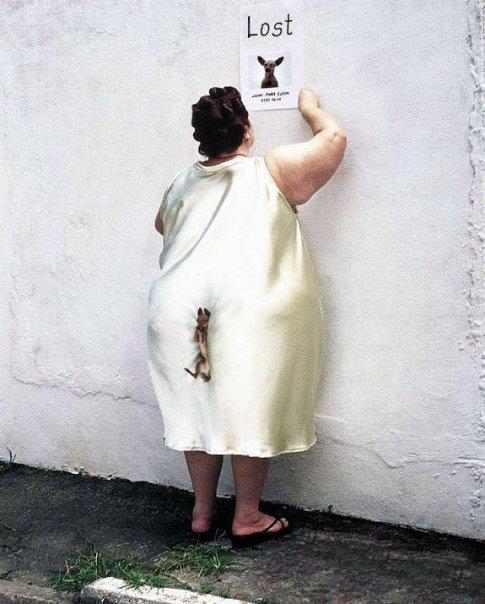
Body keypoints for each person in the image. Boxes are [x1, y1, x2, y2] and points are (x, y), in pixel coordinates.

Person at [147, 85, 347, 549]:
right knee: (250, 407)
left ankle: (202, 514)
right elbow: (334, 140)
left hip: (178, 312)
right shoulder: (273, 171)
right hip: (245, 314)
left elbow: (162, 224)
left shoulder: (181, 183)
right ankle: (248, 517)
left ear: (202, 138)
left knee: (196, 405)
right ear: (247, 131)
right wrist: (311, 110)